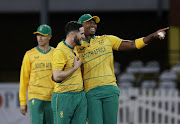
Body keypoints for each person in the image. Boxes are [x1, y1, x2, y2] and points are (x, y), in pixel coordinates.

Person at [76, 14, 169, 124]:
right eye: (88, 22)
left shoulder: (107, 39)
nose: (93, 25)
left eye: (94, 22)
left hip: (110, 89)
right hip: (90, 91)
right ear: (80, 27)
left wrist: (152, 36)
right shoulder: (76, 47)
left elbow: (132, 44)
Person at [51, 21, 87, 124]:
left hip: (79, 96)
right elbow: (57, 76)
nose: (83, 36)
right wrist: (75, 68)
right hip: (64, 96)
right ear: (72, 35)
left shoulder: (74, 48)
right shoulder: (60, 51)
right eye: (81, 34)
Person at [19, 24, 54, 124]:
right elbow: (24, 79)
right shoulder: (29, 54)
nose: (40, 38)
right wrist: (22, 101)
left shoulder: (56, 53)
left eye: (43, 35)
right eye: (38, 35)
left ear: (50, 36)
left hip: (52, 97)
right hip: (36, 97)